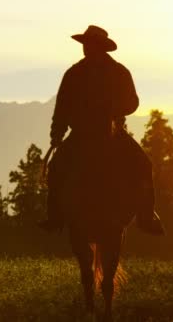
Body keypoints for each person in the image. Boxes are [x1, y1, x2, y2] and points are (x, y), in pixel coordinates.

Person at [38, 25, 164, 236]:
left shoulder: (112, 72)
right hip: (89, 133)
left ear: (99, 46)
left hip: (109, 132)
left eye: (90, 44)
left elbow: (131, 103)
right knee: (57, 168)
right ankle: (56, 215)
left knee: (144, 165)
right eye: (85, 44)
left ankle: (146, 216)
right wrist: (56, 135)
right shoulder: (77, 73)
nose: (86, 48)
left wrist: (111, 110)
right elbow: (62, 108)